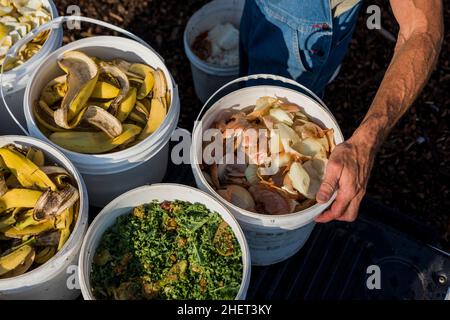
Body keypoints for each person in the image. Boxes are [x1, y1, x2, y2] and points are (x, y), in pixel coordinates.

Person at [239, 0, 444, 223]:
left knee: (278, 126)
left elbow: (421, 30)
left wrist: (365, 143)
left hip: (305, 26)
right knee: (248, 91)